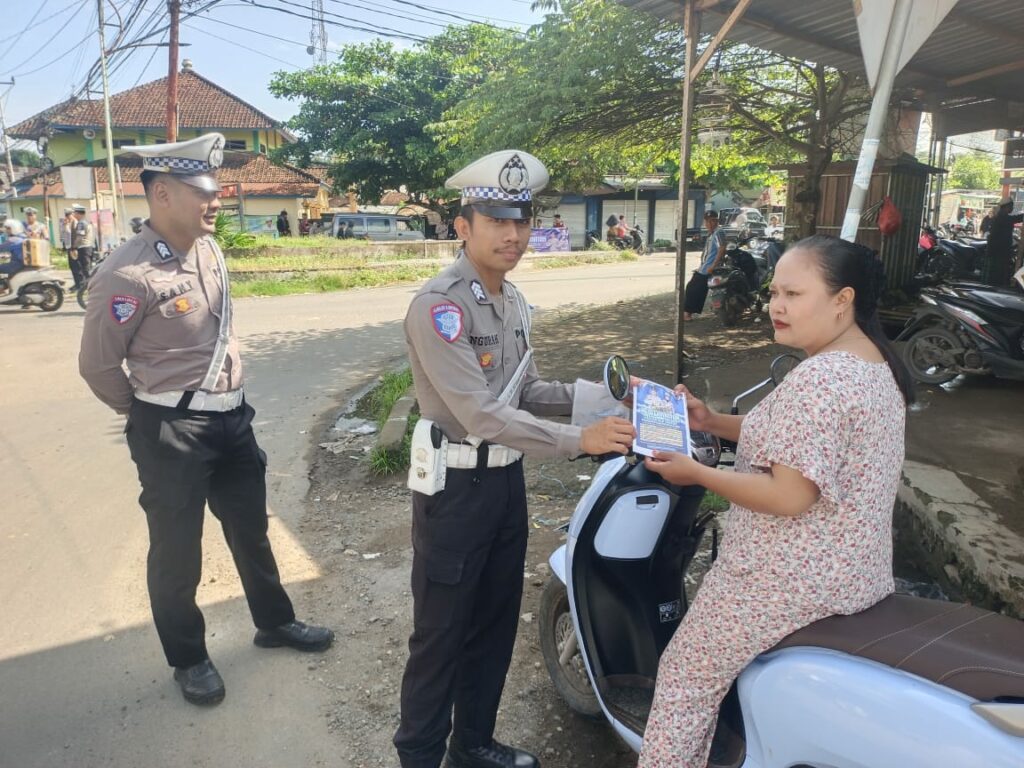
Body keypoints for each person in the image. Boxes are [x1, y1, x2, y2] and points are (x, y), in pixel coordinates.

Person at [395, 149, 635, 768]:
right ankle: (418, 756)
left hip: (505, 488)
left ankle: (471, 743)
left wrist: (607, 399)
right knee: (441, 635)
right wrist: (580, 442)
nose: (512, 234)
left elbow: (523, 391)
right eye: (495, 220)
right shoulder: (440, 306)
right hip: (454, 491)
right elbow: (479, 414)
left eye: (521, 220)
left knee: (495, 623)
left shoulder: (511, 301)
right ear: (463, 226)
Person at [637, 235, 914, 768]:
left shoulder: (822, 378)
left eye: (793, 293)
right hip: (857, 573)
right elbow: (795, 441)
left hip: (784, 579)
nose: (776, 306)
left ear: (842, 299)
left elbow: (790, 494)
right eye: (773, 292)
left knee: (684, 678)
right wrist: (713, 421)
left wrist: (697, 471)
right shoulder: (873, 362)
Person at [78, 133, 333, 708]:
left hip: (231, 421)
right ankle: (189, 657)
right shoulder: (125, 274)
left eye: (217, 190)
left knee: (251, 529)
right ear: (162, 193)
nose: (215, 201)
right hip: (171, 430)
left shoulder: (210, 250)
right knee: (177, 551)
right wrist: (149, 414)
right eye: (203, 191)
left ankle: (274, 623)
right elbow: (97, 367)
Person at [683, 209, 724, 320]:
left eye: (713, 221)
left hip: (709, 268)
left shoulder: (718, 232)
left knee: (693, 287)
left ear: (717, 221)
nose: (710, 224)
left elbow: (722, 248)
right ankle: (688, 312)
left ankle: (688, 313)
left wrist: (713, 266)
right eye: (707, 221)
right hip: (704, 267)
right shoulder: (711, 234)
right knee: (693, 287)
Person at [985, 196, 1023, 287]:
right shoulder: (1002, 217)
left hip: (998, 250)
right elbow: (1014, 219)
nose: (1012, 208)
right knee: (998, 274)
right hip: (999, 251)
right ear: (1007, 206)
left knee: (998, 272)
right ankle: (996, 289)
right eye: (1012, 206)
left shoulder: (1001, 216)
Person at [70, 204, 95, 292]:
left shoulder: (81, 223)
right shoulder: (87, 222)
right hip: (89, 247)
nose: (74, 215)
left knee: (86, 269)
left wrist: (73, 247)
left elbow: (79, 237)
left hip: (83, 248)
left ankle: (91, 288)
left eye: (75, 213)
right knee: (88, 268)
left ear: (78, 213)